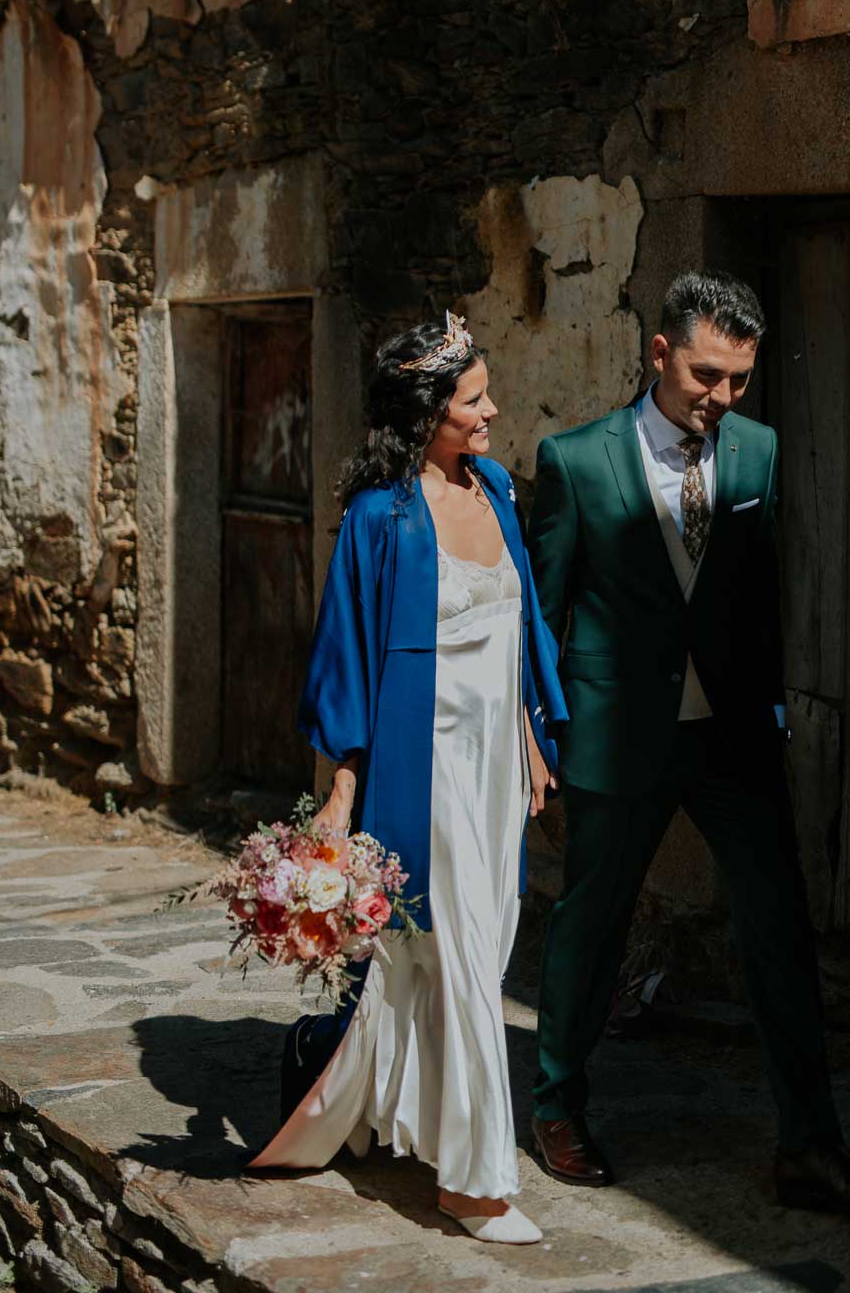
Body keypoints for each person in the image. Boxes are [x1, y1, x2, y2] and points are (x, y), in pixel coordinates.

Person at [526, 270, 850, 1212]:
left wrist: (771, 715)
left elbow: (758, 596)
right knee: (591, 924)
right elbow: (543, 614)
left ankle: (810, 1148)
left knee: (779, 932)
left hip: (733, 739)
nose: (722, 398)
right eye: (705, 376)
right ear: (658, 353)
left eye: (738, 379)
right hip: (617, 736)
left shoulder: (758, 453)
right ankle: (555, 1106)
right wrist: (539, 736)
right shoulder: (574, 461)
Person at [248, 312, 568, 1245]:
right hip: (420, 767)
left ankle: (347, 1081)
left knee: (470, 954)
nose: (492, 410)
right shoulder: (379, 518)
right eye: (474, 399)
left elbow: (521, 623)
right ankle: (472, 1181)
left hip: (496, 766)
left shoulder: (500, 490)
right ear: (426, 412)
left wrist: (532, 731)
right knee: (464, 959)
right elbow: (344, 657)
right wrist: (343, 795)